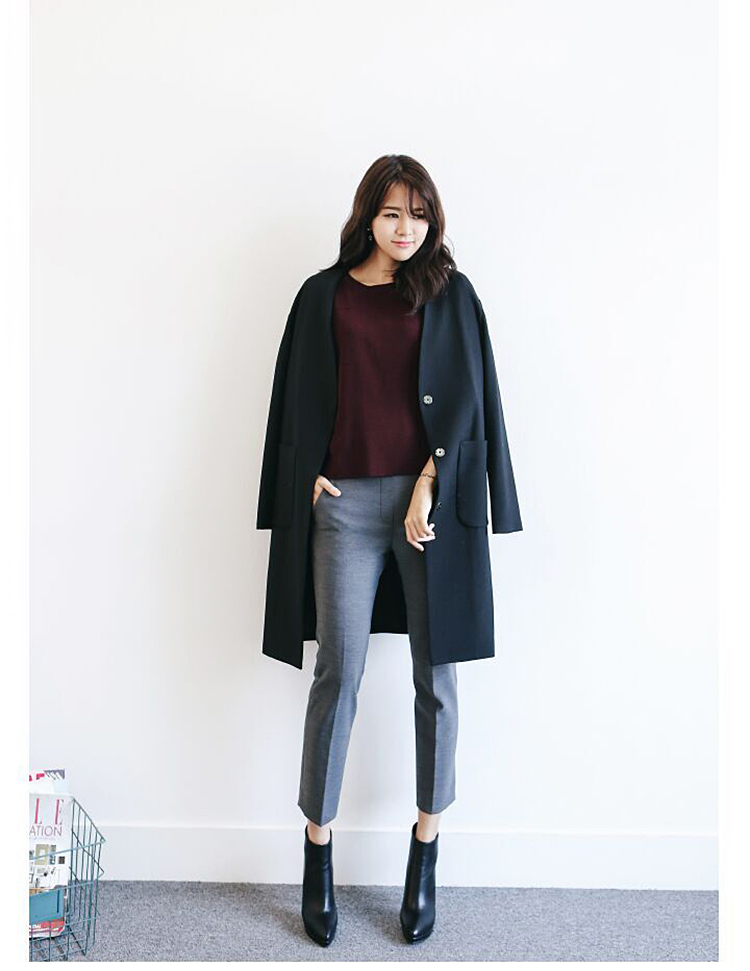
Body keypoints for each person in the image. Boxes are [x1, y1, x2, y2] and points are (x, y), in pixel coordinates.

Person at [256, 154, 522, 946]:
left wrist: (431, 481)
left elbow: (471, 402)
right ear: (367, 216)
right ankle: (317, 849)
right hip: (343, 507)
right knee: (338, 673)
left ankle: (425, 847)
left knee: (435, 676)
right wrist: (304, 477)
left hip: (423, 508)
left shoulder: (449, 293)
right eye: (393, 213)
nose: (407, 228)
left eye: (420, 213)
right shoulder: (323, 295)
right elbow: (292, 396)